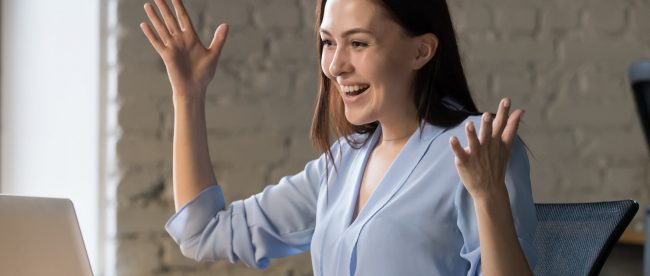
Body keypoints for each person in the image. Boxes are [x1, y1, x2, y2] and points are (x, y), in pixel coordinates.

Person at [140, 0, 537, 275]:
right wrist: (189, 96)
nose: (334, 66)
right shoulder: (344, 162)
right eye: (328, 42)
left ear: (421, 51)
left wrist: (488, 197)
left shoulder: (480, 151)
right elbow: (203, 233)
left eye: (359, 43)